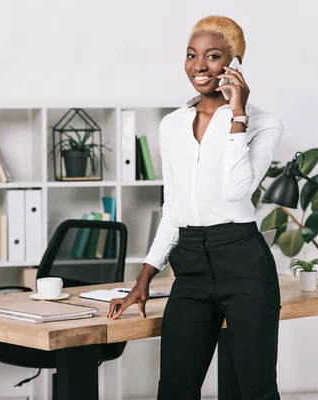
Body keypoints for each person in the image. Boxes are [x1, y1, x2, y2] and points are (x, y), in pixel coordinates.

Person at [107, 15, 283, 400]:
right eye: (191, 55)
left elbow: (237, 190)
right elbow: (174, 209)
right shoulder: (171, 124)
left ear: (233, 63)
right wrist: (144, 278)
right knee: (174, 388)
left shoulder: (264, 123)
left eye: (213, 56)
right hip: (191, 268)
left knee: (256, 389)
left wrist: (238, 115)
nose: (199, 66)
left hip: (244, 264)